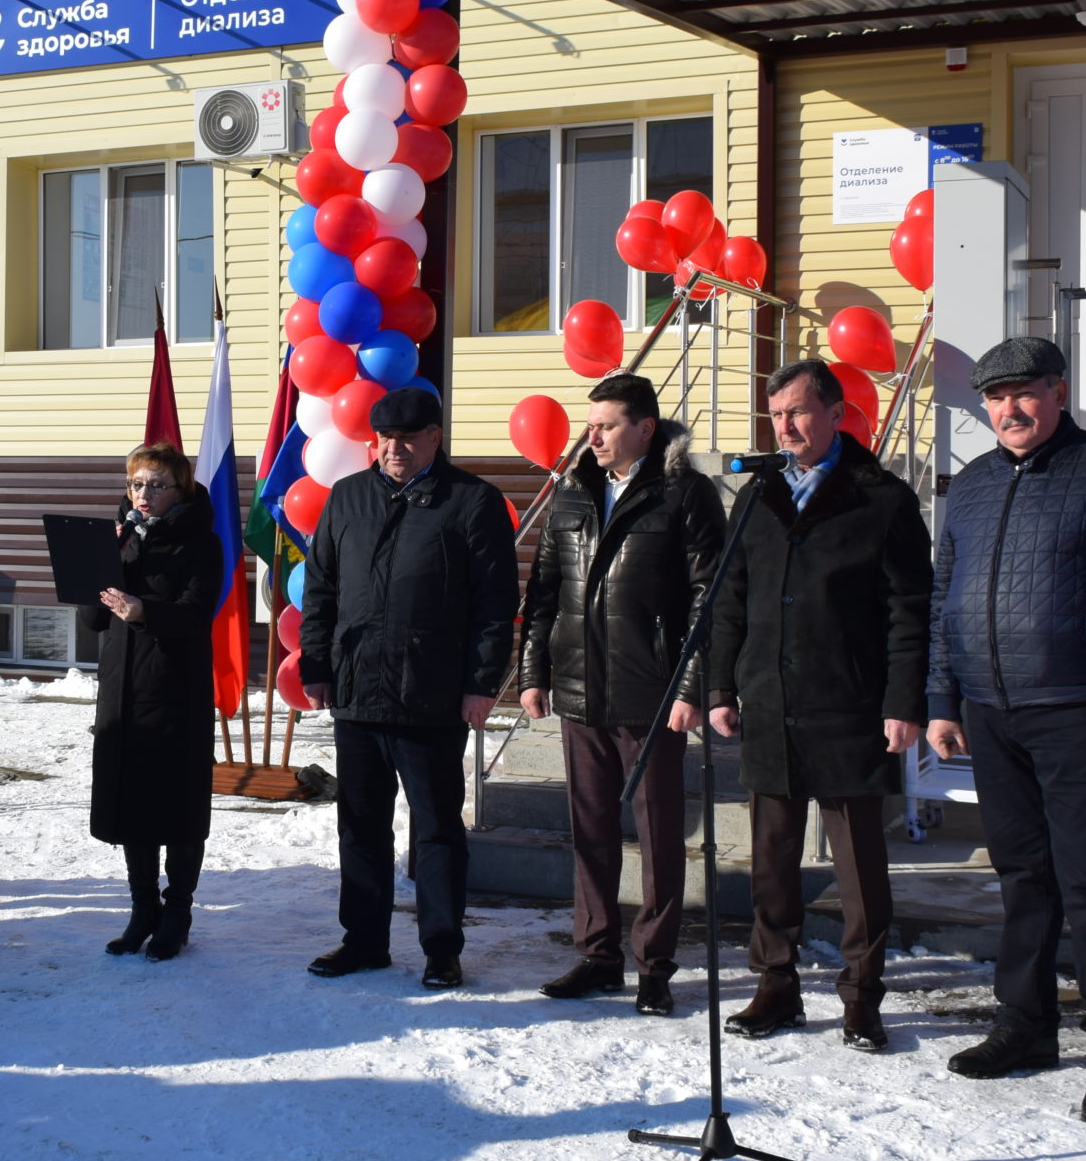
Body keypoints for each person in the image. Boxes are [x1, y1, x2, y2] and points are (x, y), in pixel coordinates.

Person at [925, 336, 1086, 1126]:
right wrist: (941, 698)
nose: (1009, 409)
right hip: (992, 716)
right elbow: (944, 602)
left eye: (1025, 392)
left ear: (1058, 391)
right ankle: (1026, 1026)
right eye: (996, 397)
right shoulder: (968, 486)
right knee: (1021, 877)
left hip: (1082, 715)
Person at [707, 360, 932, 1052]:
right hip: (770, 704)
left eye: (800, 412)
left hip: (850, 706)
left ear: (836, 413)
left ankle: (862, 996)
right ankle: (776, 984)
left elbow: (910, 610)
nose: (786, 426)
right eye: (776, 414)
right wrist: (720, 686)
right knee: (771, 857)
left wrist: (903, 700)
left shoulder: (882, 499)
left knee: (859, 862)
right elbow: (728, 600)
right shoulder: (758, 496)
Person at [297, 385, 517, 991]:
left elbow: (496, 607)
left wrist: (481, 684)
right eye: (386, 438)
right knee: (360, 823)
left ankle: (441, 948)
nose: (395, 448)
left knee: (437, 827)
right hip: (358, 691)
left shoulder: (473, 503)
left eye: (409, 438)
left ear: (435, 438)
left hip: (433, 695)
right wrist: (316, 664)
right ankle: (363, 940)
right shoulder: (347, 498)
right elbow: (320, 589)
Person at [518, 373, 723, 1016]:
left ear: (645, 428)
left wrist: (689, 686)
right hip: (581, 691)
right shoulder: (573, 493)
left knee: (659, 835)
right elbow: (544, 591)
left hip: (652, 695)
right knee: (591, 830)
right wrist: (532, 673)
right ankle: (598, 955)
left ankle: (655, 967)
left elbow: (706, 598)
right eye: (591, 424)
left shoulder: (684, 494)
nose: (593, 435)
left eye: (606, 425)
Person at [79, 443, 226, 960]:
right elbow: (93, 621)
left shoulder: (201, 543)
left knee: (177, 803)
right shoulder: (119, 539)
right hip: (122, 689)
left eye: (157, 485)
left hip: (174, 691)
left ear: (179, 488)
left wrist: (145, 611)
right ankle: (143, 909)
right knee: (131, 801)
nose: (144, 495)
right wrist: (100, 570)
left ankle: (177, 912)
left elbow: (195, 614)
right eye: (137, 484)